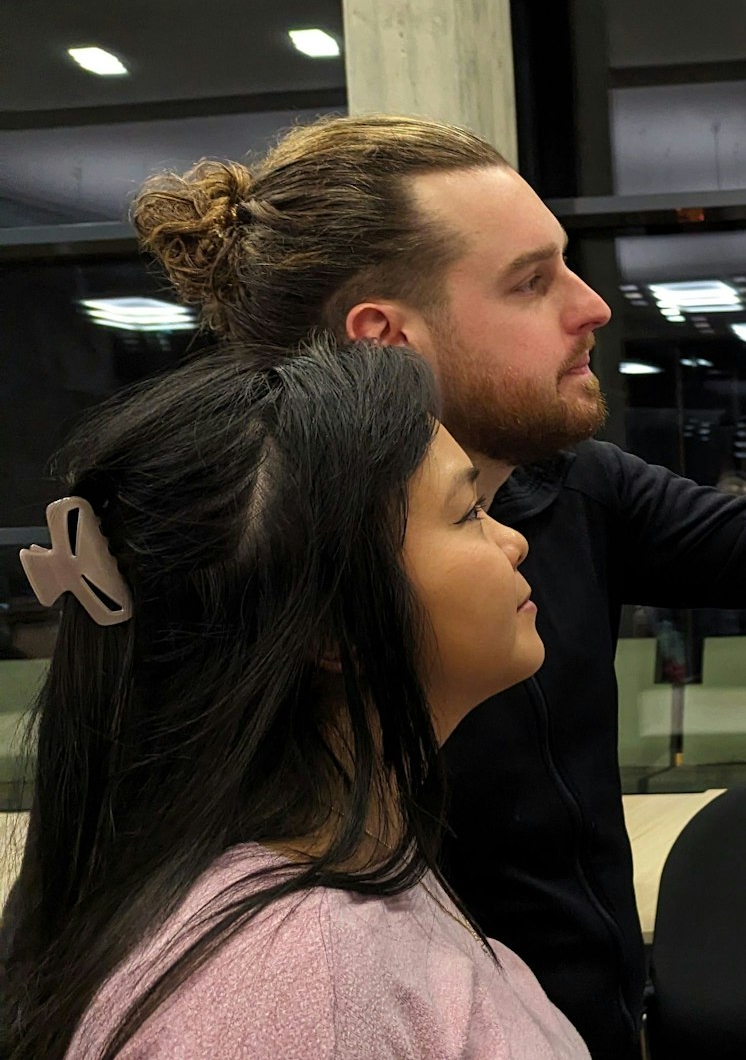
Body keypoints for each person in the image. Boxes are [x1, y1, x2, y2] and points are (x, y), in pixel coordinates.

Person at [125, 113, 746, 1058]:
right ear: (384, 338)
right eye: (529, 281)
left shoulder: (568, 486)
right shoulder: (262, 610)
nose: (592, 304)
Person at [1, 342, 586, 1058]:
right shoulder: (296, 984)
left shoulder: (350, 872)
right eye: (468, 514)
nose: (514, 543)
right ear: (335, 625)